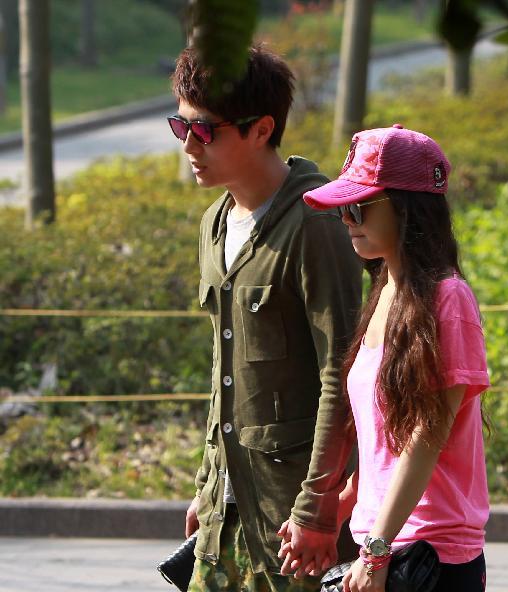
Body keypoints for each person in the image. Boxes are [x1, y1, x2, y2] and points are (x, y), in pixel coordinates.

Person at [170, 44, 362, 592]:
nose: (188, 145)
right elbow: (225, 370)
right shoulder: (214, 221)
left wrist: (317, 507)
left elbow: (341, 376)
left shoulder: (316, 222)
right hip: (227, 510)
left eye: (204, 131)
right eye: (179, 127)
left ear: (261, 130)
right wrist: (209, 485)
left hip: (293, 520)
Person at [289, 124, 491, 592]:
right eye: (344, 208)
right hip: (382, 545)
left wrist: (377, 550)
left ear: (409, 209)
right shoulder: (384, 292)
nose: (347, 219)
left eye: (360, 206)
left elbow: (427, 435)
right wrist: (335, 510)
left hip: (430, 556)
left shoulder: (449, 299)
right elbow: (386, 441)